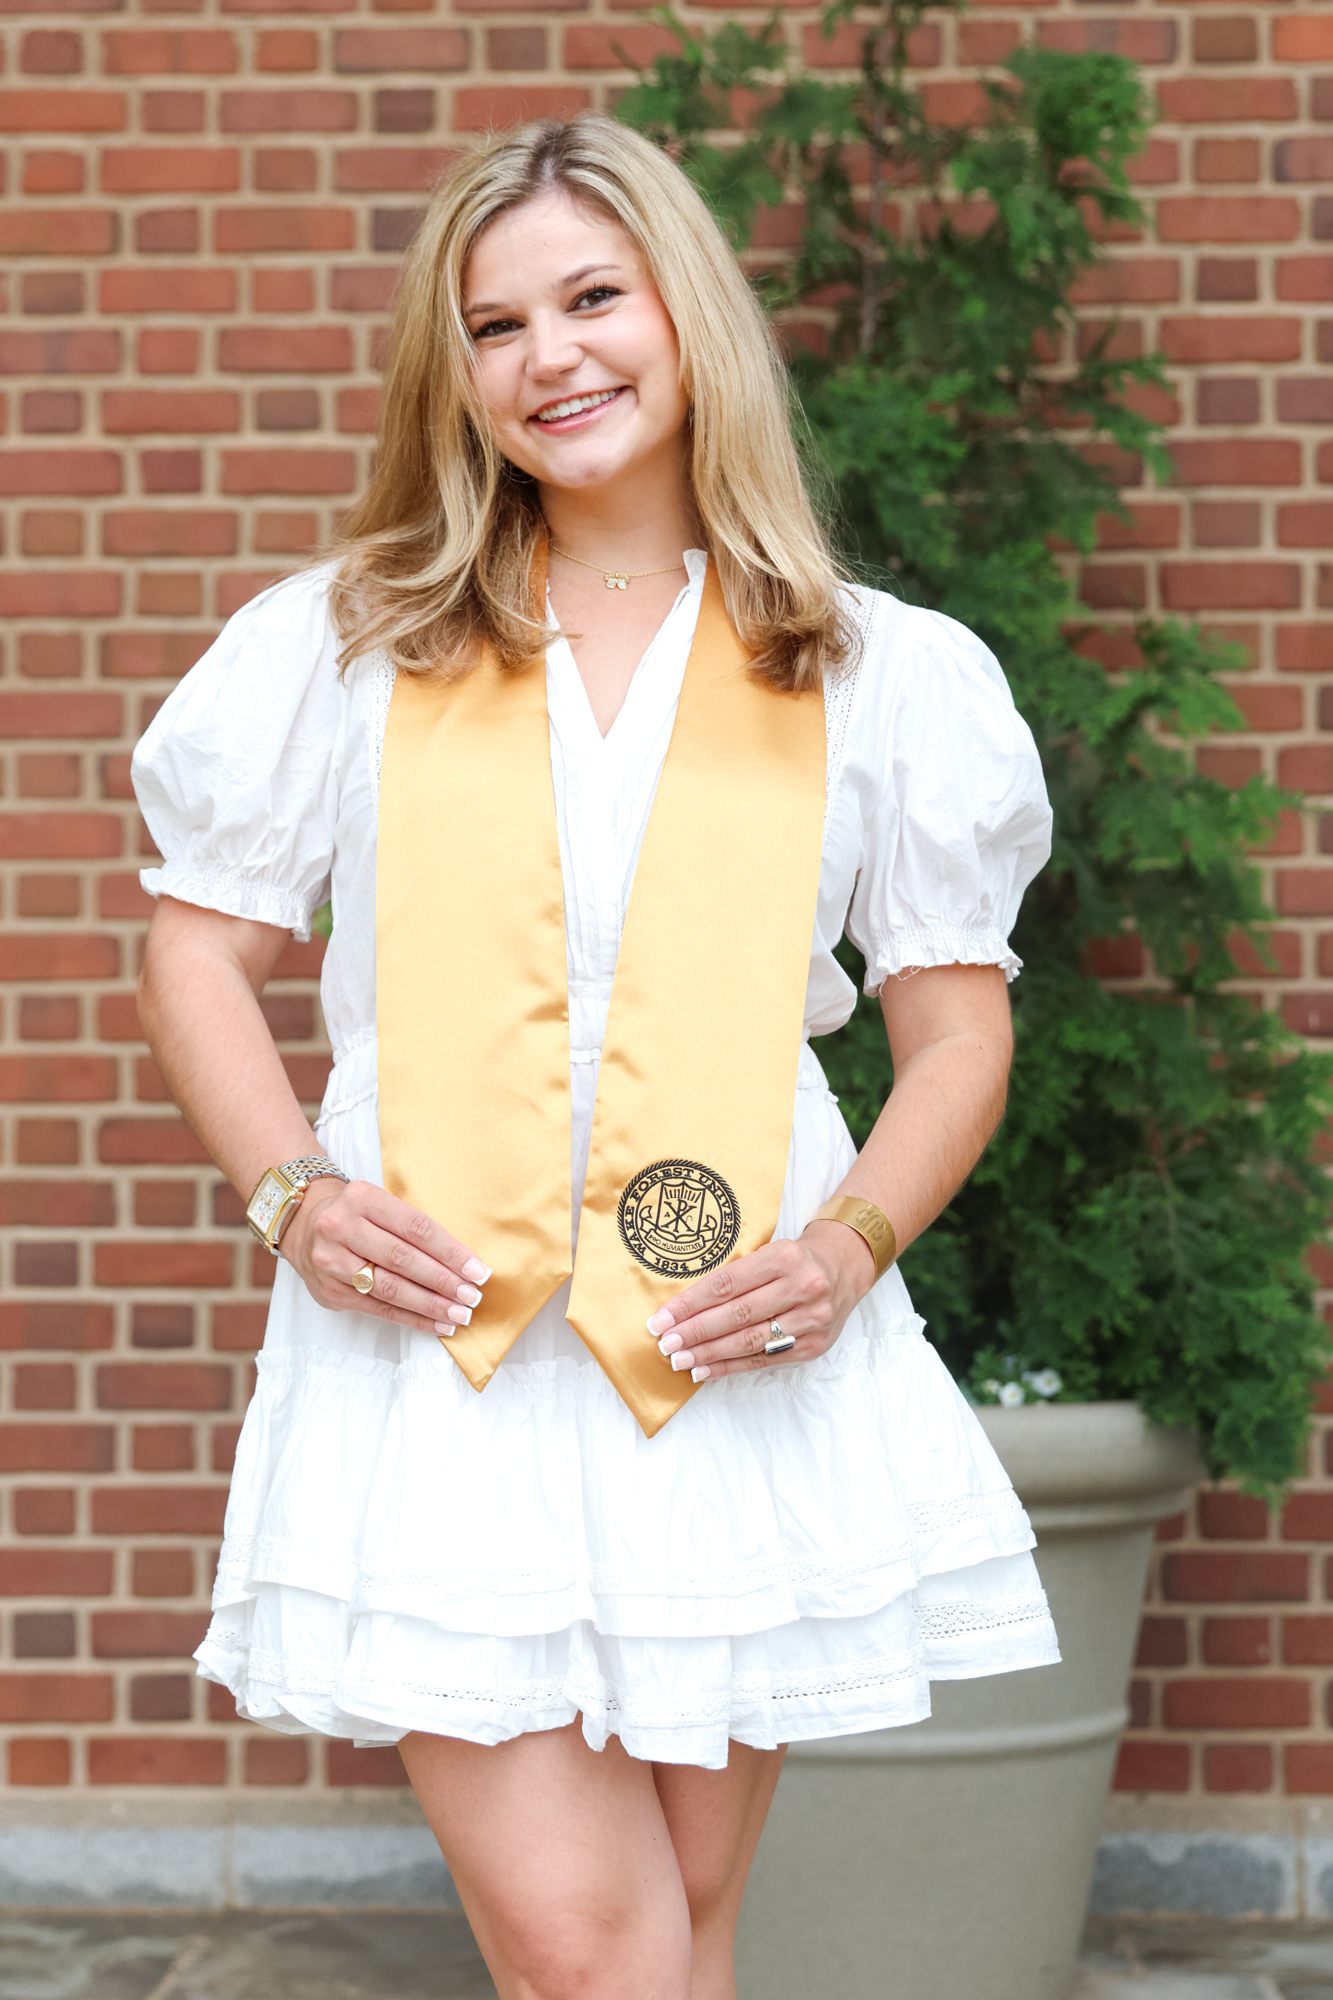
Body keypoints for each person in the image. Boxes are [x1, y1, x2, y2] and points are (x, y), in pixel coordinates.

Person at [133, 112, 1059, 2000]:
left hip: (733, 1341)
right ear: (453, 370)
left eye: (590, 298)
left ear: (683, 309)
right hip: (441, 1354)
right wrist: (291, 1194)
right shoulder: (351, 643)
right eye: (493, 326)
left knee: (679, 1931)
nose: (547, 356)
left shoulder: (871, 668)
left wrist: (848, 1249)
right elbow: (197, 951)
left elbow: (958, 1029)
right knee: (594, 1951)